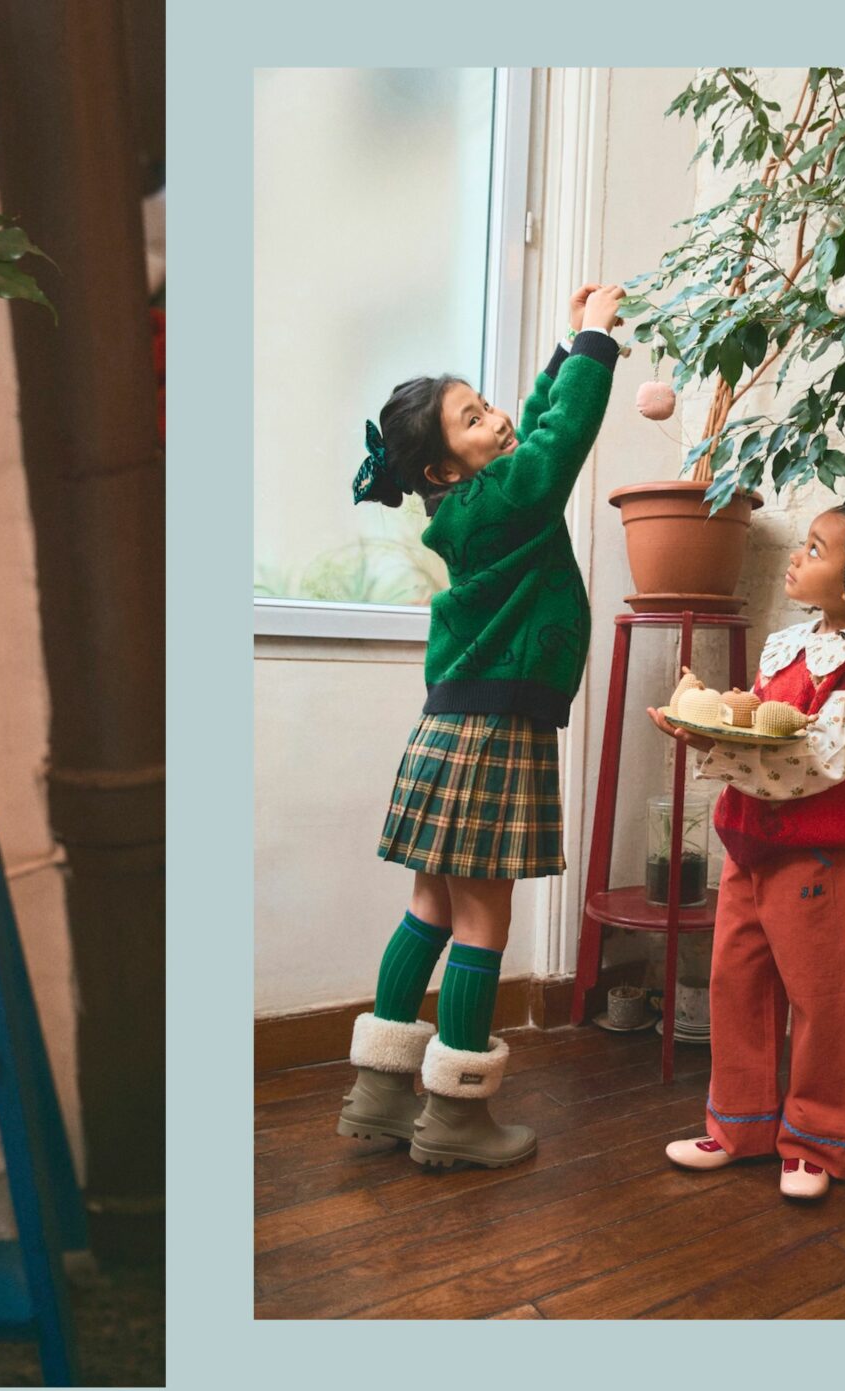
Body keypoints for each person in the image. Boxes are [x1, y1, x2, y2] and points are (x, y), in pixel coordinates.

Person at [337, 285, 623, 1168]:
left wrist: (552, 365)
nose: (496, 417)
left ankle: (379, 1096)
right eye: (473, 417)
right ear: (442, 468)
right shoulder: (499, 502)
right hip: (494, 733)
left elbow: (528, 436)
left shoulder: (468, 504)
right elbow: (555, 446)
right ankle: (456, 1118)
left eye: (488, 403)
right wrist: (593, 344)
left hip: (451, 731)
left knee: (429, 906)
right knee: (481, 919)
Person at [648, 502, 845, 1199]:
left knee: (817, 996)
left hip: (812, 856)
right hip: (747, 842)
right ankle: (739, 1123)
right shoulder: (788, 644)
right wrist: (713, 718)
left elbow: (822, 761)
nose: (797, 557)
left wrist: (714, 742)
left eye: (815, 548)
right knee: (736, 982)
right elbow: (763, 721)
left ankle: (815, 1139)